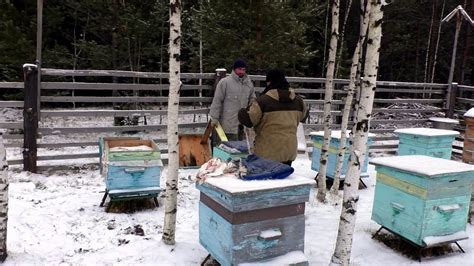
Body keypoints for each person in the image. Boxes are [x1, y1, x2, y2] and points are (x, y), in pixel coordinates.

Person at [238, 69, 308, 166]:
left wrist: (241, 112)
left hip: (267, 153)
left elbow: (249, 121)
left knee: (268, 180)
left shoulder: (263, 101)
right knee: (284, 179)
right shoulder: (299, 101)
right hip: (289, 151)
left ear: (269, 82)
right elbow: (304, 117)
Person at [209, 59, 256, 141]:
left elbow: (252, 99)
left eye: (244, 69)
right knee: (225, 149)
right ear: (234, 69)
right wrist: (214, 118)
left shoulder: (248, 83)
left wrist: (251, 114)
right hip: (227, 124)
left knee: (240, 151)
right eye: (239, 69)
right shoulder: (225, 82)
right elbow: (217, 101)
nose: (241, 71)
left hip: (242, 125)